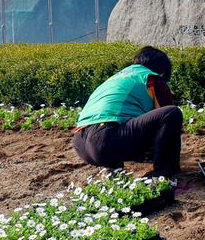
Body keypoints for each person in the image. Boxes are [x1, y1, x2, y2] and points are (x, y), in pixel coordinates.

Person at [72, 46, 183, 179]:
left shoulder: (119, 77)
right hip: (105, 140)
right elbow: (166, 115)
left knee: (119, 122)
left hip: (80, 143)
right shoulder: (152, 78)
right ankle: (164, 175)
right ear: (163, 72)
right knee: (171, 114)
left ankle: (113, 169)